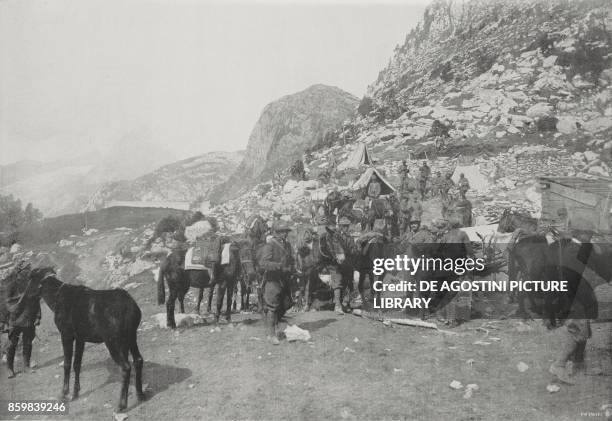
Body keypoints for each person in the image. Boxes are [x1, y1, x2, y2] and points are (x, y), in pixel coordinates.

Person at [259, 221, 295, 345]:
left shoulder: (288, 245)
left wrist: (292, 268)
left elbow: (291, 259)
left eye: (286, 232)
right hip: (272, 279)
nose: (285, 234)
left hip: (285, 279)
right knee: (272, 306)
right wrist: (279, 266)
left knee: (286, 303)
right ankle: (271, 334)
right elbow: (263, 263)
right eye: (282, 232)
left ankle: (276, 325)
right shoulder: (270, 245)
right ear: (276, 233)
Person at [5, 261, 41, 378]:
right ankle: (10, 368)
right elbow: (7, 303)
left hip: (29, 319)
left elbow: (36, 301)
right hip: (15, 320)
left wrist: (38, 316)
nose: (28, 272)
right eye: (26, 270)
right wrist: (19, 298)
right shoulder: (12, 285)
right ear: (19, 272)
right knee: (12, 344)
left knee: (28, 342)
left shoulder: (31, 284)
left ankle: (26, 366)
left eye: (29, 270)